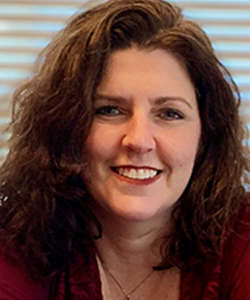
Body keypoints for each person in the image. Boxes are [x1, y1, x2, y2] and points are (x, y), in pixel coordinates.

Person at [0, 0, 249, 299]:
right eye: (109, 110)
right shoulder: (15, 242)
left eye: (169, 113)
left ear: (205, 135)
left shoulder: (242, 238)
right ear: (65, 126)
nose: (139, 140)